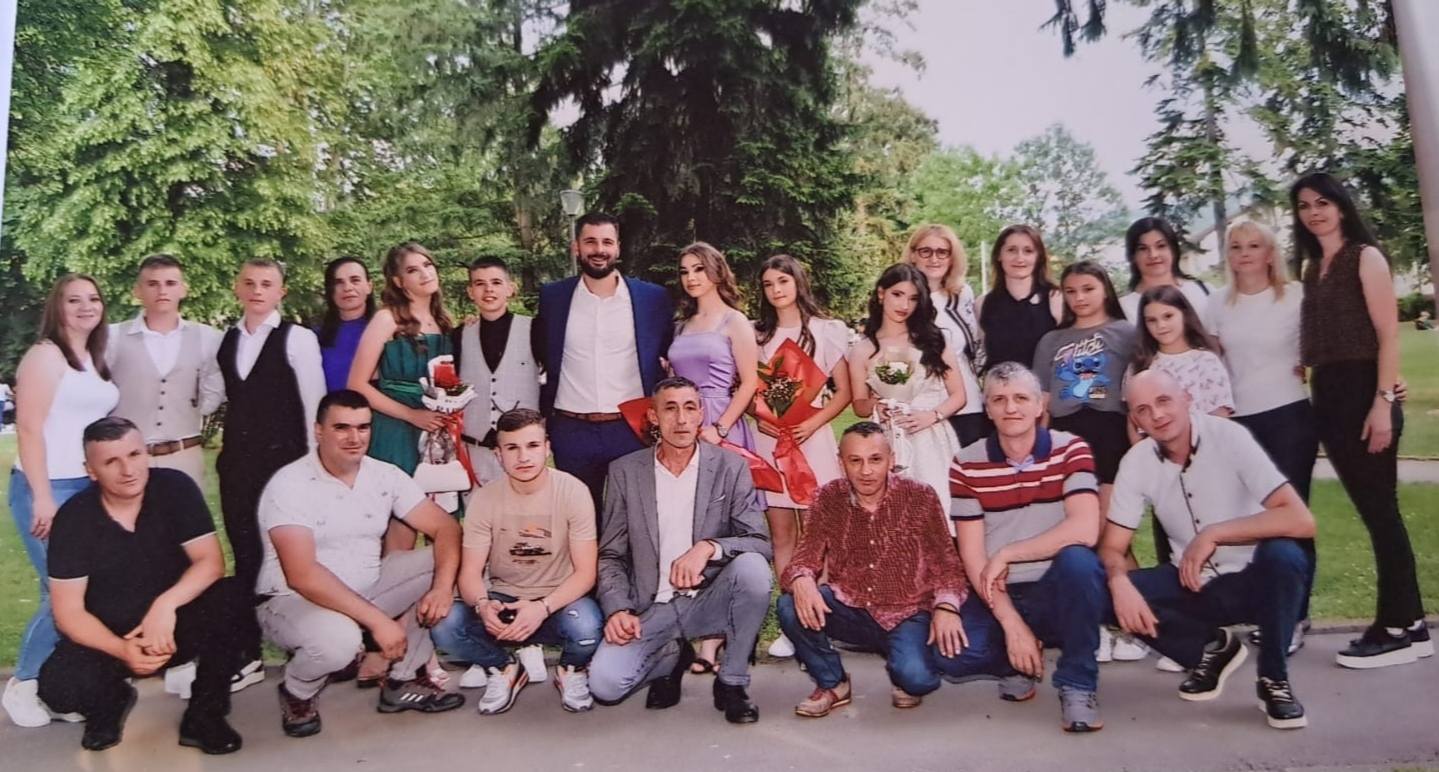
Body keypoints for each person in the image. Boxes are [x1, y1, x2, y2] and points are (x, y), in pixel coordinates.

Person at [1101, 370, 1316, 730]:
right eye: (1143, 410)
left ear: (1187, 398)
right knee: (1098, 587)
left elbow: (1301, 519)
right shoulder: (1136, 461)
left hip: (1252, 579)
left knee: (1285, 555)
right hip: (1192, 582)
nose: (1157, 415)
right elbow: (1112, 546)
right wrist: (1119, 582)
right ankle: (1208, 649)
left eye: (1164, 401)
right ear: (1135, 420)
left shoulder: (1229, 437)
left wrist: (1215, 534)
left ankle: (1273, 680)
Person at [255, 390, 464, 738]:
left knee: (452, 559)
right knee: (339, 642)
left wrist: (442, 588)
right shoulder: (289, 484)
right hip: (294, 600)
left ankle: (403, 679)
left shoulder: (384, 475)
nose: (354, 438)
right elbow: (302, 575)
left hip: (368, 589)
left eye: (363, 427)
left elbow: (446, 528)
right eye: (342, 428)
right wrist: (379, 622)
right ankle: (297, 692)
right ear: (319, 430)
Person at [39, 417, 244, 754]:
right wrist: (122, 650)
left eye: (134, 455)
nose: (128, 470)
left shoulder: (175, 488)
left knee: (232, 599)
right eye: (111, 461)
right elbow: (68, 612)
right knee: (57, 688)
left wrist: (165, 607)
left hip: (173, 626)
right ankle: (109, 702)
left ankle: (204, 716)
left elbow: (210, 562)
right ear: (91, 471)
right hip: (112, 636)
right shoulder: (74, 519)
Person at [1292, 172, 1429, 667]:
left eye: (1323, 202)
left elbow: (1387, 335)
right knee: (1374, 511)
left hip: (1364, 393)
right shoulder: (1313, 268)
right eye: (1305, 205)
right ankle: (1409, 621)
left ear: (1342, 206)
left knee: (1381, 511)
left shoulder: (1364, 257)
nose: (1314, 212)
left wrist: (1383, 401)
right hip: (1328, 395)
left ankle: (1400, 625)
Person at [586, 377, 772, 724]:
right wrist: (618, 609)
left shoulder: (730, 467)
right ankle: (670, 657)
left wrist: (708, 548)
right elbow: (611, 554)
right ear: (653, 417)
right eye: (670, 409)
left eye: (689, 408)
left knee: (754, 570)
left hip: (709, 598)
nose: (682, 419)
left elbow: (760, 541)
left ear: (701, 414)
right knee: (605, 685)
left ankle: (732, 681)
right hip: (652, 605)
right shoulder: (625, 471)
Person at [938, 363, 1106, 732]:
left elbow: (1085, 529)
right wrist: (1012, 624)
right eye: (999, 400)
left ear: (1039, 405)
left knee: (1080, 562)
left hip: (1056, 586)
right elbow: (972, 556)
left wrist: (1009, 553)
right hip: (1000, 589)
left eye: (1020, 398)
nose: (1010, 408)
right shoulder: (967, 463)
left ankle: (1078, 683)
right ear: (987, 408)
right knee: (950, 657)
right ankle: (1017, 659)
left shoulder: (1070, 449)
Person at [776, 422, 967, 717]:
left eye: (875, 459)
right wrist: (802, 579)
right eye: (855, 461)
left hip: (907, 611)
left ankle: (904, 661)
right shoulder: (827, 497)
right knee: (789, 605)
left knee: (917, 680)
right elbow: (805, 556)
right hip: (850, 606)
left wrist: (946, 607)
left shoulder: (920, 496)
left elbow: (948, 565)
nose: (866, 471)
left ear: (891, 460)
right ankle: (833, 683)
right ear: (841, 463)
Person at [3, 275, 119, 728]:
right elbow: (29, 428)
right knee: (62, 592)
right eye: (74, 300)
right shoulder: (45, 356)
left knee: (77, 590)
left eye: (93, 298)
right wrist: (43, 498)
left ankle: (56, 688)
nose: (86, 306)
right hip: (48, 488)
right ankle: (23, 683)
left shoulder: (93, 358)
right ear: (58, 307)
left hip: (86, 487)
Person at [430, 408, 600, 714]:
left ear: (547, 448)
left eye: (532, 446)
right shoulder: (484, 498)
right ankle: (503, 667)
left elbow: (586, 573)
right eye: (512, 448)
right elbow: (470, 573)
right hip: (503, 599)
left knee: (587, 627)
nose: (523, 457)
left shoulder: (573, 491)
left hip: (557, 602)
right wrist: (483, 605)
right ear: (498, 455)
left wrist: (542, 607)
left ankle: (571, 670)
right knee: (445, 625)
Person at [1210, 221, 1318, 656]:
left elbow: (1321, 346)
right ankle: (1265, 610)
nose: (1245, 253)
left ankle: (1295, 616)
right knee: (1252, 520)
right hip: (1241, 423)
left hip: (1290, 415)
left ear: (1271, 253)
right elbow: (1210, 362)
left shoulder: (1295, 296)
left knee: (1291, 517)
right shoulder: (1218, 303)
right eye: (1236, 246)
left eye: (1254, 245)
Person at [216, 258, 326, 686]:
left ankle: (313, 645)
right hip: (237, 467)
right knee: (247, 555)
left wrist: (315, 467)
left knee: (292, 555)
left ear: (282, 291)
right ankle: (248, 653)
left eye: (267, 284)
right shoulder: (227, 340)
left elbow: (314, 404)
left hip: (285, 464)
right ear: (237, 288)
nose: (257, 290)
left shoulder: (297, 338)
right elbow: (214, 395)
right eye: (249, 283)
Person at [536, 212, 674, 513]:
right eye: (590, 242)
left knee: (637, 516)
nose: (599, 250)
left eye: (607, 242)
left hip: (632, 428)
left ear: (618, 247)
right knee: (581, 519)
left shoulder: (652, 299)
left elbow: (670, 350)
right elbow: (539, 349)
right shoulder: (553, 298)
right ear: (576, 247)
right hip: (572, 429)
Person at [751, 254, 852, 658]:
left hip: (812, 438)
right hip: (773, 441)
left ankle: (819, 619)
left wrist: (812, 422)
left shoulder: (826, 330)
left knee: (816, 533)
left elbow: (844, 391)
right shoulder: (758, 335)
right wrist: (759, 418)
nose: (776, 290)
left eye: (783, 281)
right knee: (783, 535)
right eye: (768, 284)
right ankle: (791, 619)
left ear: (798, 283)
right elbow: (749, 389)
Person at [668, 241, 761, 672]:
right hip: (684, 427)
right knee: (692, 526)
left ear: (717, 272)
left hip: (722, 426)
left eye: (699, 269)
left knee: (723, 528)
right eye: (685, 271)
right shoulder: (682, 325)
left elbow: (750, 382)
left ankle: (717, 641)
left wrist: (720, 428)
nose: (691, 278)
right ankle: (698, 626)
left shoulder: (734, 321)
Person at [849, 264, 967, 526]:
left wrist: (932, 416)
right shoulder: (862, 350)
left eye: (913, 298)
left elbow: (959, 395)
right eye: (897, 294)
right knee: (894, 521)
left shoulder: (935, 340)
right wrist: (876, 406)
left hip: (932, 438)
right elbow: (859, 405)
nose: (904, 305)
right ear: (881, 293)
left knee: (939, 516)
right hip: (889, 438)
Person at [106, 254, 225, 489]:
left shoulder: (208, 338)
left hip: (184, 455)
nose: (162, 291)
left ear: (183, 289)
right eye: (152, 284)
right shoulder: (112, 337)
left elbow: (212, 396)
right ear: (137, 291)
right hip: (125, 458)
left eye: (170, 283)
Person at [1031, 261, 1136, 510]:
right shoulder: (1051, 340)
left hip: (1110, 427)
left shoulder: (1126, 333)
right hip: (1064, 428)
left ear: (1106, 290)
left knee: (1109, 512)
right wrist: (1038, 442)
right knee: (1074, 509)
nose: (1079, 297)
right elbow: (1042, 397)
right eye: (1071, 291)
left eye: (1088, 289)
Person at [451, 256, 542, 486]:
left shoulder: (534, 329)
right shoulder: (459, 335)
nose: (488, 289)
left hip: (522, 450)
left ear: (510, 289)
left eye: (496, 282)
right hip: (475, 446)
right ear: (470, 292)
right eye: (480, 283)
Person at [905, 224, 987, 445]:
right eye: (926, 251)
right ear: (913, 255)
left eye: (942, 252)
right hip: (920, 411)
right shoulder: (902, 299)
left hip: (967, 407)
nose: (934, 259)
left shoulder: (962, 294)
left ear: (952, 257)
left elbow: (974, 348)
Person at [1131, 286, 1234, 417]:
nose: (1161, 325)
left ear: (1184, 315)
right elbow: (1134, 419)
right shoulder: (1140, 364)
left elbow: (1220, 419)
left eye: (1168, 316)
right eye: (1152, 320)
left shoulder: (1205, 361)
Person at [977, 224, 1063, 370]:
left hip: (1045, 384)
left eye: (1028, 251)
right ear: (999, 255)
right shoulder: (982, 304)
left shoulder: (1056, 298)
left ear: (1038, 257)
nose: (1020, 258)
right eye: (1012, 250)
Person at [1117, 217, 1212, 328]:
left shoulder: (1203, 290)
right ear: (1132, 256)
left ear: (1173, 250)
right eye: (1143, 248)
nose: (1153, 255)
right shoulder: (1123, 308)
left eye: (1161, 246)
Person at [317, 256, 375, 394]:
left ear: (369, 286)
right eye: (338, 282)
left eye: (355, 280)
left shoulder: (388, 332)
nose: (347, 288)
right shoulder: (315, 337)